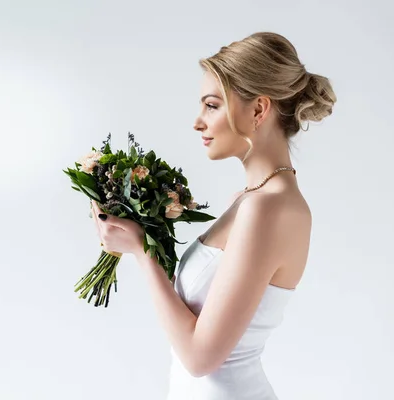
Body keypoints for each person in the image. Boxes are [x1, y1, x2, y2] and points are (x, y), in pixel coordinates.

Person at [90, 31, 336, 399]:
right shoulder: (249, 200)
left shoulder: (267, 208)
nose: (198, 122)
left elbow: (200, 357)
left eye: (212, 105)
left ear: (258, 110)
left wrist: (142, 252)